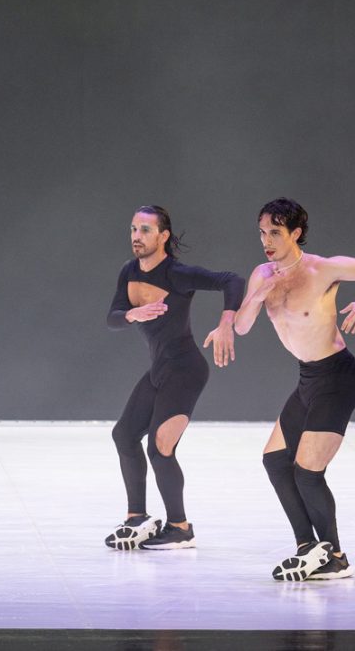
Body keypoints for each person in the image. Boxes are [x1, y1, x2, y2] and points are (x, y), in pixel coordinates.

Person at [234, 198, 355, 581]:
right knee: (276, 461)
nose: (267, 241)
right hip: (308, 378)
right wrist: (258, 295)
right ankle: (307, 547)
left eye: (275, 232)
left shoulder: (321, 269)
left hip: (338, 378)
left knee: (308, 471)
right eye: (262, 232)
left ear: (295, 233)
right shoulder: (261, 274)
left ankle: (336, 556)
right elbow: (242, 326)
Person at [105, 206, 243, 551]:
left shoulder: (177, 273)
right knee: (124, 434)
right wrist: (132, 314)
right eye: (134, 228)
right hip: (159, 370)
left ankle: (180, 528)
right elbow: (113, 317)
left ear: (163, 236)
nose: (137, 236)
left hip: (185, 370)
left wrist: (227, 322)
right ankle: (136, 518)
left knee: (160, 448)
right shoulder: (128, 271)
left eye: (146, 230)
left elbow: (232, 280)